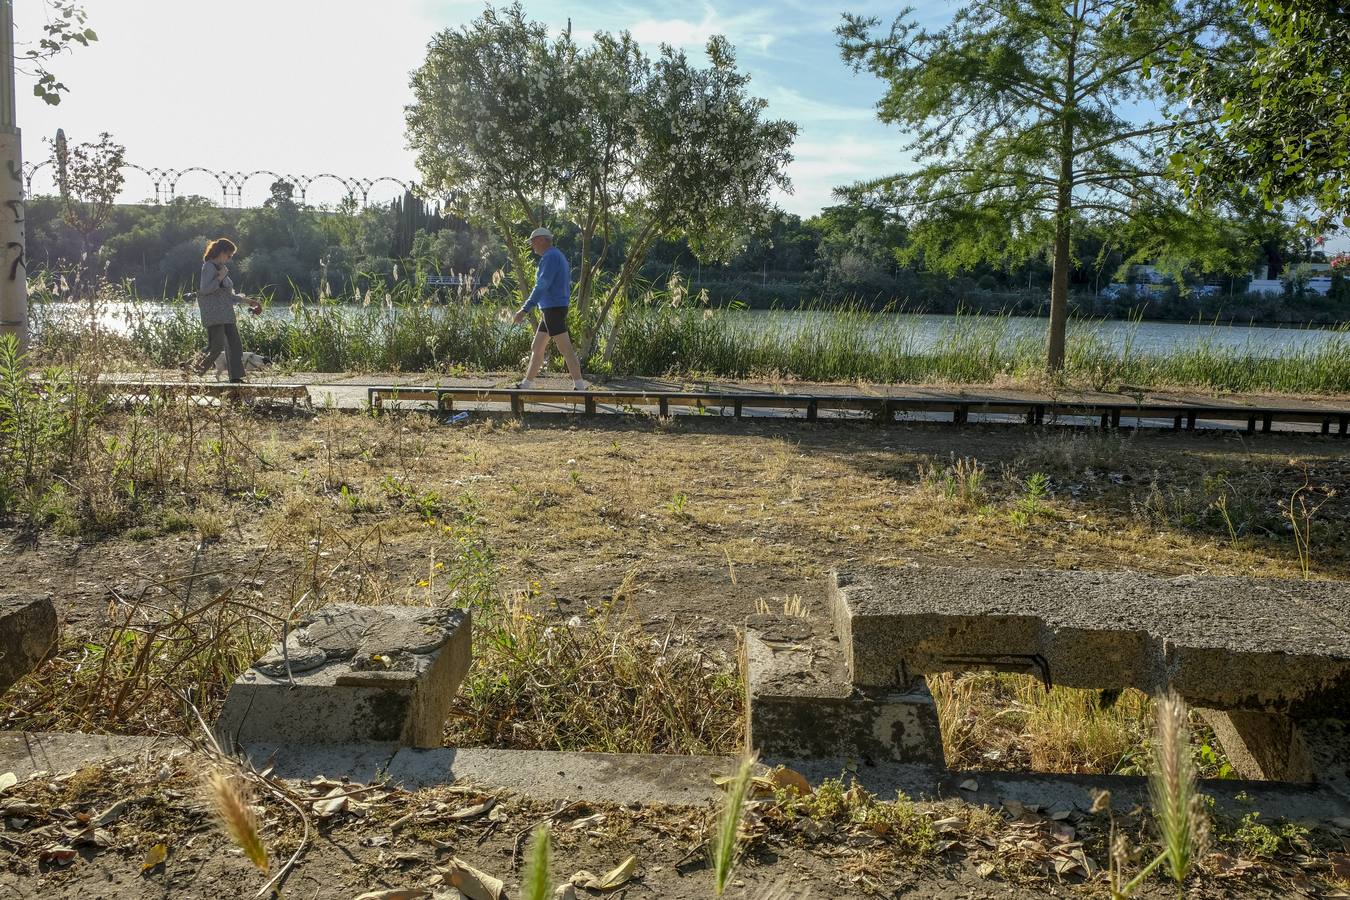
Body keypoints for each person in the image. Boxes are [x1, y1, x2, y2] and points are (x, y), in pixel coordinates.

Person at [512, 227, 586, 390]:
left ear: (541, 240)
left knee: (565, 349)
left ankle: (580, 387)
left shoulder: (550, 257)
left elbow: (541, 285)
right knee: (537, 347)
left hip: (553, 309)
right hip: (551, 309)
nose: (532, 246)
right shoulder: (556, 255)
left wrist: (524, 309)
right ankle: (526, 385)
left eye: (533, 242)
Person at [194, 238, 261, 382]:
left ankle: (236, 377)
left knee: (235, 344)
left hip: (226, 313)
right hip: (215, 314)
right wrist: (220, 277)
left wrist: (248, 301)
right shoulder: (209, 267)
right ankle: (193, 370)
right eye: (229, 255)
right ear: (221, 252)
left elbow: (227, 295)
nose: (229, 259)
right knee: (216, 347)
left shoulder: (221, 268)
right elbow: (205, 290)